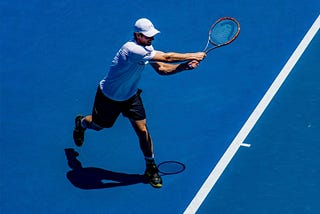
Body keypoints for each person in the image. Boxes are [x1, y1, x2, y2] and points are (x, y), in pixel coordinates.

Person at [73, 18, 206, 188]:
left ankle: (151, 167)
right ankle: (81, 123)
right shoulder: (131, 49)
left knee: (142, 130)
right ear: (137, 35)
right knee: (99, 125)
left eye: (152, 35)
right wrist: (193, 55)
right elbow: (167, 57)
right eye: (147, 36)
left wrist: (184, 67)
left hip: (130, 96)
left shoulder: (146, 48)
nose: (152, 38)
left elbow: (162, 69)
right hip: (109, 97)